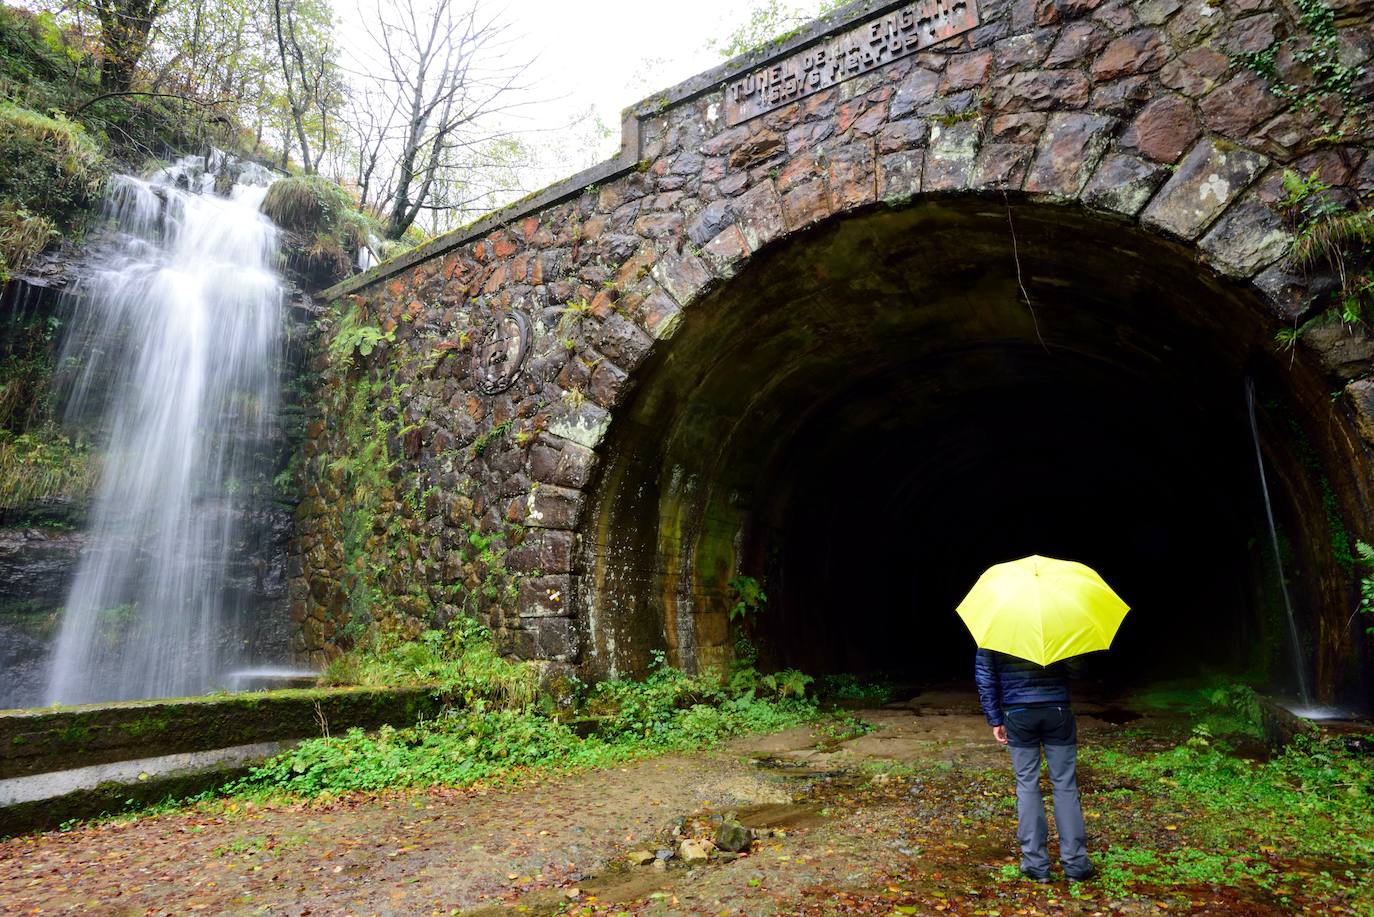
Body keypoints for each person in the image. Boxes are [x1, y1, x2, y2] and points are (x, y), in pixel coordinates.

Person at [974, 647, 1096, 883]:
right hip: (1057, 710)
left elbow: (985, 677)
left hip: (1018, 712)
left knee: (1027, 785)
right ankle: (1076, 864)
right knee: (1065, 785)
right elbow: (1078, 671)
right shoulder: (1060, 623)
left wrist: (995, 719)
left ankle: (1036, 865)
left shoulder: (993, 628)